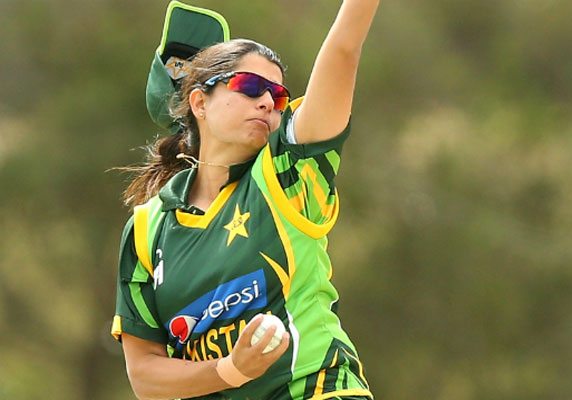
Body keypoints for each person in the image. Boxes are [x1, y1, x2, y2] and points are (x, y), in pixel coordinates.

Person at [110, 0, 379, 399]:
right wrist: (231, 370)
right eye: (250, 86)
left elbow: (343, 50)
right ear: (199, 103)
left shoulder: (288, 174)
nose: (268, 101)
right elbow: (146, 376)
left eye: (278, 96)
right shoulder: (148, 230)